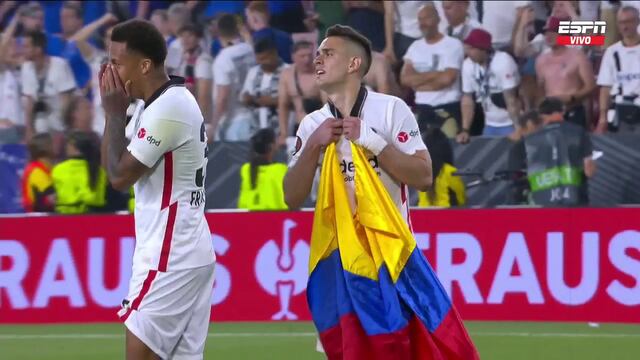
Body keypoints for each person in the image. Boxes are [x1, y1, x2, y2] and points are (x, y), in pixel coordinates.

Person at [285, 24, 477, 359]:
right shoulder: (312, 124)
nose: (318, 59)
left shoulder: (390, 109)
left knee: (403, 348)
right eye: (318, 54)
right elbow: (291, 197)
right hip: (342, 264)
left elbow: (423, 176)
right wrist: (313, 146)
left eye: (328, 53)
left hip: (391, 256)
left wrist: (374, 142)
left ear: (353, 64)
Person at [100, 19, 215, 359]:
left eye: (118, 62)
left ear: (145, 65)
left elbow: (119, 178)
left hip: (170, 255)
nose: (110, 70)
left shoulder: (169, 109)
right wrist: (117, 114)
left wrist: (112, 114)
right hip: (182, 248)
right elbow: (116, 168)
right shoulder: (155, 105)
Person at [401, 3, 464, 135]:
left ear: (438, 19)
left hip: (448, 108)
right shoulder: (414, 47)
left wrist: (419, 83)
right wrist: (436, 74)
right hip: (423, 110)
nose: (423, 23)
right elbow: (405, 79)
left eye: (427, 18)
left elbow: (447, 79)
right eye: (420, 19)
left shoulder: (452, 44)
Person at [524, 97, 596, 206]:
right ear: (562, 111)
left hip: (542, 202)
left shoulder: (531, 139)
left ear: (542, 115)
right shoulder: (578, 132)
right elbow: (589, 171)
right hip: (574, 201)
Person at [457, 28, 521, 143]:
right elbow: (467, 100)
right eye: (467, 48)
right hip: (490, 124)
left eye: (472, 48)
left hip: (510, 123)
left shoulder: (503, 61)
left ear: (483, 49)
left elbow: (511, 100)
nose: (468, 52)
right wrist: (465, 129)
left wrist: (519, 129)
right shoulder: (468, 65)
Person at [535, 16, 596, 128]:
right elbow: (540, 89)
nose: (549, 36)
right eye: (547, 32)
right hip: (549, 114)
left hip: (572, 111)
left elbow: (591, 86)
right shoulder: (541, 60)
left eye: (554, 31)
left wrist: (572, 97)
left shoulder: (577, 56)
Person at [21, 30, 77, 151]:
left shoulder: (59, 65)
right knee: (39, 125)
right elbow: (29, 102)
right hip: (43, 119)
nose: (22, 50)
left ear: (38, 49)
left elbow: (67, 101)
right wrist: (29, 131)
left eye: (26, 47)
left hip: (63, 120)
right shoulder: (26, 68)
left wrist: (60, 130)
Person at [209, 13, 256, 141]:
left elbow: (222, 96)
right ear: (237, 29)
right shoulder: (249, 50)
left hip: (232, 123)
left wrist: (213, 128)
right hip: (252, 118)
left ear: (218, 31)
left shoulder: (222, 59)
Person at [596, 6, 640, 134]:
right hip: (619, 109)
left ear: (638, 21)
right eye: (621, 22)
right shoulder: (611, 52)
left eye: (629, 21)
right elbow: (605, 88)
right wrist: (602, 118)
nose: (625, 27)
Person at [277, 40, 324, 146]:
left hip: (319, 126)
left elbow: (329, 104)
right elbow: (283, 105)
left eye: (309, 55)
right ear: (293, 57)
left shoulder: (321, 73)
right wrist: (283, 133)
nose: (307, 60)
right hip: (299, 125)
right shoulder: (287, 75)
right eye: (302, 56)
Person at [51, 130, 107, 214]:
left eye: (67, 145)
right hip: (96, 217)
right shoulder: (100, 171)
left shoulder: (58, 169)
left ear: (74, 148)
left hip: (64, 217)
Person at [241, 38, 287, 133]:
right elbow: (245, 95)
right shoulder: (253, 72)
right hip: (256, 129)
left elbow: (296, 100)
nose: (261, 62)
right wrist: (249, 99)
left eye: (264, 58)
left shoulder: (288, 71)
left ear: (274, 54)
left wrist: (274, 101)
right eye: (259, 59)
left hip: (281, 129)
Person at [237, 128, 288, 210]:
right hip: (275, 218)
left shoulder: (246, 169)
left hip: (247, 218)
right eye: (276, 140)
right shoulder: (281, 170)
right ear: (271, 146)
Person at [417, 128, 465, 207]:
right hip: (445, 215)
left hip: (422, 214)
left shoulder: (420, 171)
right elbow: (461, 199)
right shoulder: (450, 171)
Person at [22, 133, 55, 212]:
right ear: (46, 148)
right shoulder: (36, 171)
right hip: (38, 220)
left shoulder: (48, 167)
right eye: (53, 143)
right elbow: (53, 197)